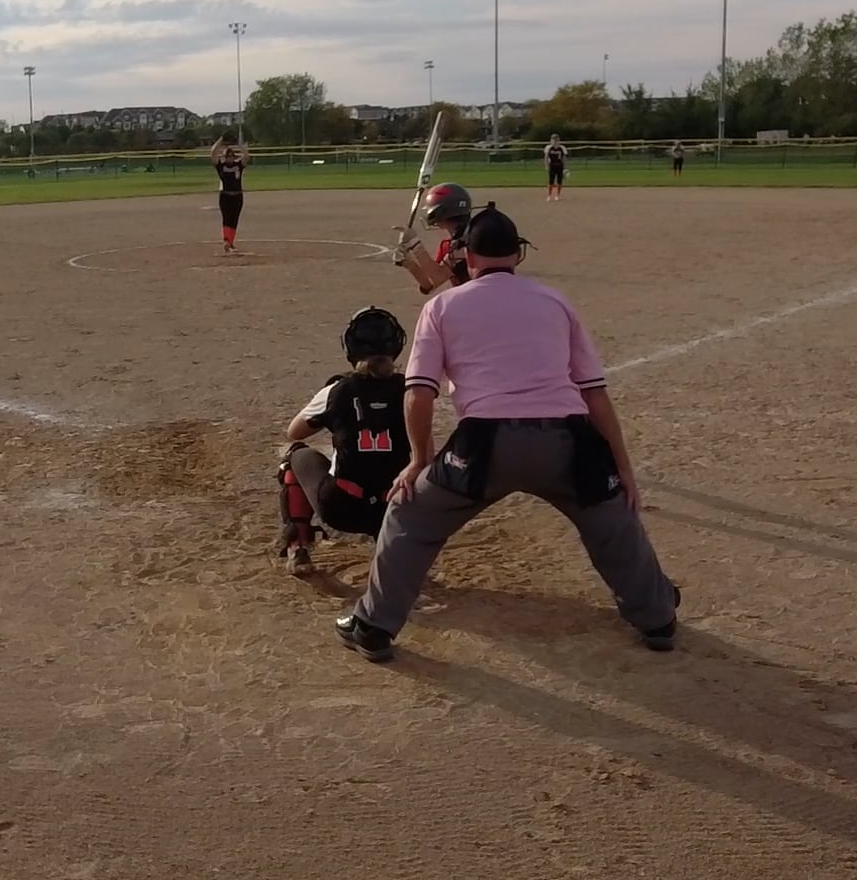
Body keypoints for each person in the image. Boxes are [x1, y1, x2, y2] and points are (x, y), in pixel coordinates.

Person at [334, 203, 681, 662]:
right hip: (568, 442)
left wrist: (419, 461)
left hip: (484, 446)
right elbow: (594, 394)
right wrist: (623, 471)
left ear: (466, 255)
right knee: (614, 521)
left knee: (409, 514)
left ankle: (374, 626)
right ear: (517, 254)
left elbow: (418, 393)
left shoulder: (442, 306)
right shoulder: (555, 301)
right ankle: (657, 617)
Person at [275, 307, 412, 576]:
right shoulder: (411, 389)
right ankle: (391, 546)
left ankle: (297, 547)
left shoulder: (337, 390)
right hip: (394, 508)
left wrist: (336, 414)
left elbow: (295, 432)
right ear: (396, 346)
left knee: (295, 454)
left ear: (350, 347)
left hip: (343, 507)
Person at [395, 182, 476, 294]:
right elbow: (430, 284)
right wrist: (409, 264)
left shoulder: (471, 241)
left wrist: (415, 244)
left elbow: (437, 276)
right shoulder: (451, 245)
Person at [212, 136, 249, 252]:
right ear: (224, 157)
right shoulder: (221, 167)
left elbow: (246, 156)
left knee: (234, 219)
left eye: (232, 156)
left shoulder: (238, 166)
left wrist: (239, 144)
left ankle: (230, 243)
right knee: (227, 218)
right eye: (228, 156)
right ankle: (226, 240)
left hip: (237, 196)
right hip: (225, 196)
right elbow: (213, 153)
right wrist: (221, 140)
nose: (230, 158)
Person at [544, 135, 568, 202]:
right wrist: (546, 166)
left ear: (559, 140)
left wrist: (564, 167)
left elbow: (564, 158)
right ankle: (549, 195)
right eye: (553, 140)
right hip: (552, 166)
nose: (555, 141)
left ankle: (557, 195)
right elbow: (546, 157)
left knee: (559, 182)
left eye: (556, 140)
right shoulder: (548, 147)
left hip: (560, 166)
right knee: (551, 182)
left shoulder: (562, 148)